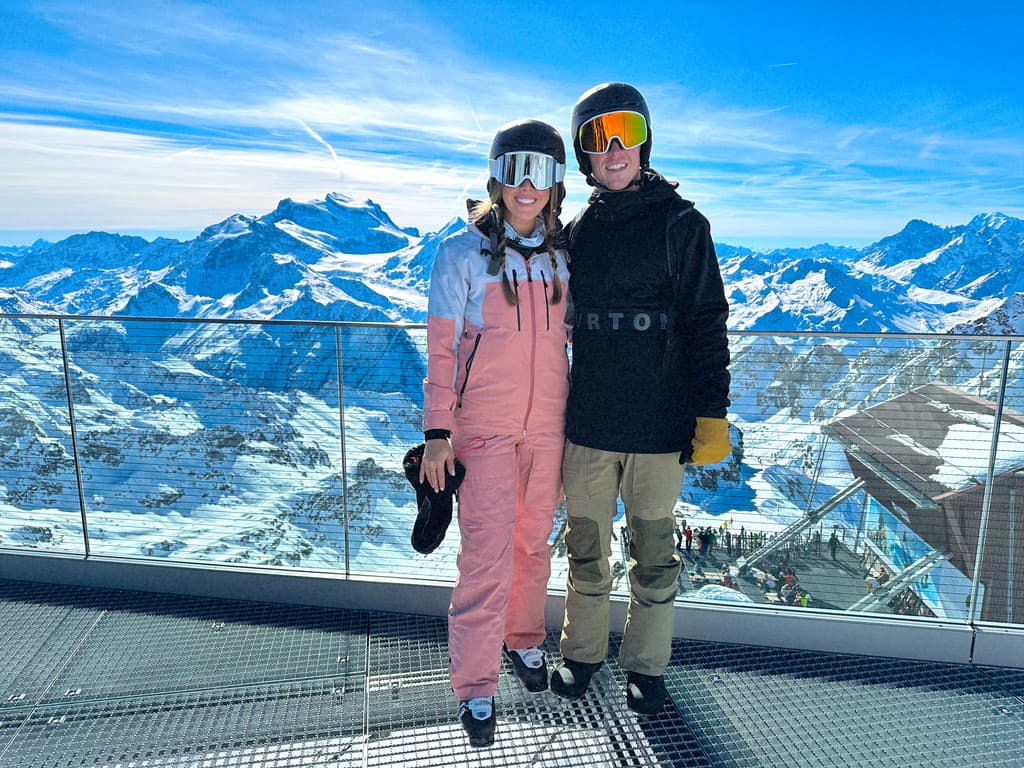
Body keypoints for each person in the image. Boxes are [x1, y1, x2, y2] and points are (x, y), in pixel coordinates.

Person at [549, 82, 731, 717]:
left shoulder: (684, 225)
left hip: (660, 427)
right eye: (598, 137)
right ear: (585, 157)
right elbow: (524, 259)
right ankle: (582, 654)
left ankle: (646, 668)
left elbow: (708, 322)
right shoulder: (577, 231)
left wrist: (712, 412)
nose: (615, 147)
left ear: (645, 139)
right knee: (586, 552)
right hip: (591, 424)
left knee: (653, 558)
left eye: (625, 129)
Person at [419, 119, 571, 748]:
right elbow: (442, 351)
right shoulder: (461, 255)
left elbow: (576, 346)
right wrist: (436, 433)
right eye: (516, 170)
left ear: (557, 185)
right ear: (497, 178)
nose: (526, 186)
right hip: (481, 431)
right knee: (485, 558)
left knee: (533, 545)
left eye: (540, 172)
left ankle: (526, 641)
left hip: (549, 430)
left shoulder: (565, 259)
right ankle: (476, 687)